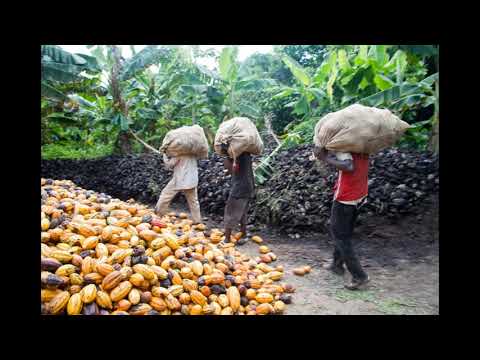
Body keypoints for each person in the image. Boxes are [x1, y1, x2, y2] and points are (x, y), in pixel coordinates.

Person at [314, 146, 370, 290]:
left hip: (346, 197)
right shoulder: (362, 146)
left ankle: (359, 276)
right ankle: (337, 264)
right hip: (359, 193)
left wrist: (325, 158)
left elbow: (348, 166)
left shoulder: (344, 147)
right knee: (344, 232)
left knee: (340, 235)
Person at [220, 143, 255, 243]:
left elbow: (232, 170)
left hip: (239, 187)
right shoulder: (246, 153)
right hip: (249, 185)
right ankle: (243, 235)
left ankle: (227, 238)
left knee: (230, 211)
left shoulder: (235, 156)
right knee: (242, 211)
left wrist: (226, 156)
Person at [155, 153, 201, 224]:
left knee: (165, 195)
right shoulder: (193, 153)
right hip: (192, 180)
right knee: (193, 201)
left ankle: (159, 214)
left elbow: (169, 165)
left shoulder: (179, 153)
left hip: (180, 179)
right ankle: (197, 220)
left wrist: (165, 157)